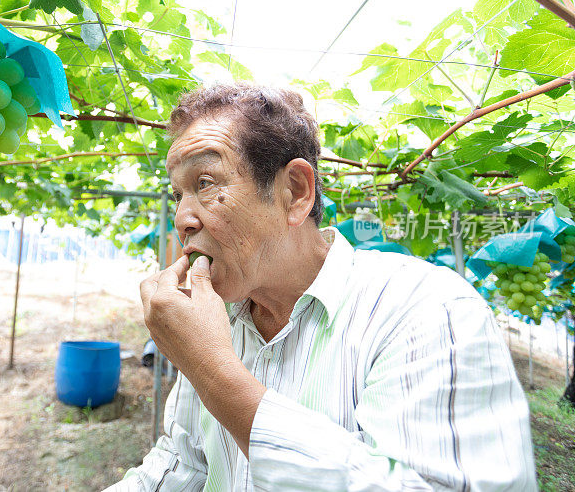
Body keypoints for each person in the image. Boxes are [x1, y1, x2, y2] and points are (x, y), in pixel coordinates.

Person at [105, 83, 536, 491]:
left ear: (294, 192)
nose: (182, 217)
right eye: (178, 193)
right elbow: (183, 464)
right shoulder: (214, 321)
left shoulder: (428, 311)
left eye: (205, 183)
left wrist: (214, 373)